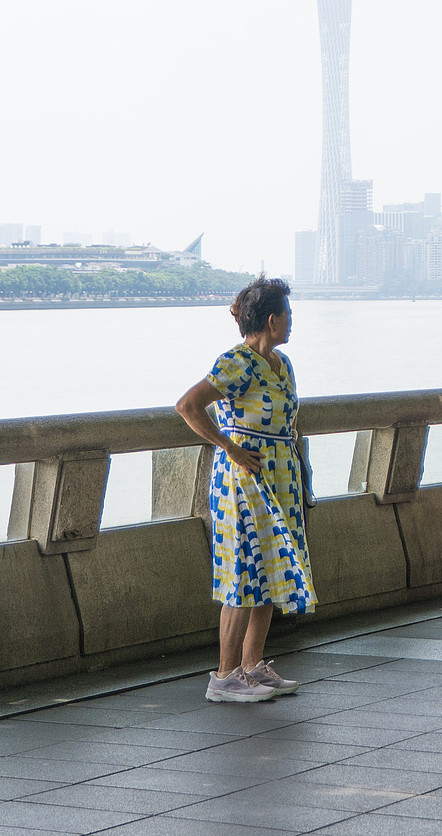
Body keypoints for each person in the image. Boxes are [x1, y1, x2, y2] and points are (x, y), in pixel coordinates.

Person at [173, 275, 315, 704]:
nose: (292, 322)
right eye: (288, 315)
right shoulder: (236, 362)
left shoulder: (281, 365)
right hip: (244, 480)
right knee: (242, 572)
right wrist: (230, 448)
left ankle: (253, 667)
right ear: (272, 320)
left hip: (280, 477)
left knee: (272, 571)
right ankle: (223, 676)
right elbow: (187, 406)